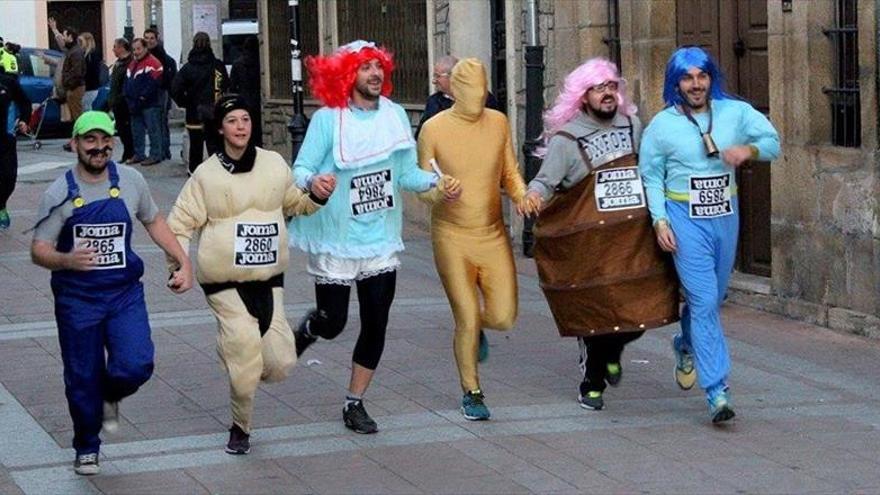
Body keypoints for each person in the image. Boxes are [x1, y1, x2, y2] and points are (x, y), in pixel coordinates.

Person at [290, 40, 459, 434]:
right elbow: (300, 168)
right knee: (334, 322)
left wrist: (437, 182)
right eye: (365, 67)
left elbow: (406, 175)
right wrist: (314, 180)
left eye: (378, 66)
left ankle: (355, 402)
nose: (374, 74)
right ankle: (310, 330)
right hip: (338, 237)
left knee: (376, 322)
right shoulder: (329, 119)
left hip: (380, 239)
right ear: (348, 75)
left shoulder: (396, 115)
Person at [30, 111, 192, 475]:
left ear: (113, 143)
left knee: (136, 364)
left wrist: (182, 259)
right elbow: (39, 248)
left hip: (123, 294)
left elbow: (153, 220)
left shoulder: (131, 180)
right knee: (81, 376)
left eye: (105, 140)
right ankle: (87, 445)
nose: (98, 147)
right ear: (74, 144)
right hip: (77, 299)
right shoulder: (60, 192)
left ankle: (110, 394)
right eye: (90, 140)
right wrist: (66, 259)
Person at [167, 95, 331, 454]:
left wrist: (317, 196)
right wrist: (179, 265)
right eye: (233, 121)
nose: (241, 127)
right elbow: (178, 224)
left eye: (245, 119)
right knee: (243, 353)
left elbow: (294, 204)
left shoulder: (274, 165)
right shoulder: (206, 175)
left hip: (269, 281)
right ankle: (240, 427)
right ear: (221, 128)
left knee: (280, 365)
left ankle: (263, 346)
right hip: (224, 283)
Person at [523, 58, 680, 411]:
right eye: (598, 88)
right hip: (591, 247)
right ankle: (591, 383)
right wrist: (532, 195)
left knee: (641, 313)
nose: (607, 93)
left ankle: (613, 350)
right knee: (599, 317)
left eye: (611, 86)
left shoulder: (634, 126)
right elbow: (546, 181)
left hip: (632, 242)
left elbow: (654, 170)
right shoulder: (566, 139)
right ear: (583, 96)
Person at [639, 46, 780, 423]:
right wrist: (660, 221)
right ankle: (717, 391)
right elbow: (651, 176)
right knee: (702, 301)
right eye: (687, 77)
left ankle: (685, 345)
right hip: (684, 217)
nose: (696, 84)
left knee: (712, 300)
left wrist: (747, 150)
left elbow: (774, 144)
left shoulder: (735, 112)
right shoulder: (661, 125)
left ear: (711, 78)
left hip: (725, 215)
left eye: (702, 76)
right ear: (676, 82)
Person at [417, 58, 533, 420]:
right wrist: (439, 190)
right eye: (470, 91)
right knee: (466, 316)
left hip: (492, 233)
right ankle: (472, 391)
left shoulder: (498, 122)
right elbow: (422, 185)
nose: (477, 98)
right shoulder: (433, 129)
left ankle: (478, 329)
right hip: (451, 234)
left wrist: (521, 195)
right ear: (453, 89)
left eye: (483, 90)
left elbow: (509, 170)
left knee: (503, 316)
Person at [171, 31, 229, 173]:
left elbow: (175, 89)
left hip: (194, 113)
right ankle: (219, 171)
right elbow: (226, 86)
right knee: (215, 146)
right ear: (209, 44)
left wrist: (185, 102)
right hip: (214, 112)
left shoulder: (187, 68)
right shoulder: (218, 66)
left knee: (195, 147)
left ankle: (194, 172)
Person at [414, 55, 501, 139]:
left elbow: (495, 132)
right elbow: (421, 136)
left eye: (437, 76)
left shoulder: (483, 99)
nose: (434, 81)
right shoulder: (433, 101)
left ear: (453, 76)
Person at [0, 65, 31, 229]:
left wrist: (24, 120)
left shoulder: (8, 81)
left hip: (6, 138)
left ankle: (1, 204)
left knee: (9, 178)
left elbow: (25, 102)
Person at [124, 38, 164, 166]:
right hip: (134, 103)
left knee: (153, 130)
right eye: (134, 49)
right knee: (137, 131)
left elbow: (154, 83)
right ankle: (139, 154)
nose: (136, 52)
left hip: (149, 103)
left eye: (138, 49)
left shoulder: (153, 63)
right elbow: (127, 82)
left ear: (145, 48)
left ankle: (155, 155)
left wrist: (143, 97)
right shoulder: (132, 64)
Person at [143, 28, 176, 161]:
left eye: (151, 38)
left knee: (160, 122)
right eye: (146, 38)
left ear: (157, 39)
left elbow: (169, 77)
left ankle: (162, 151)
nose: (149, 41)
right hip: (149, 92)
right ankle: (162, 151)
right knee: (154, 123)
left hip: (161, 92)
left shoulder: (164, 58)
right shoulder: (143, 56)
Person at [47, 19, 85, 126]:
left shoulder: (74, 52)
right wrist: (54, 30)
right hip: (70, 88)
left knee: (77, 116)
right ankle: (76, 139)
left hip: (73, 88)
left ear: (70, 37)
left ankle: (81, 137)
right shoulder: (71, 51)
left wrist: (68, 84)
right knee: (73, 117)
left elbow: (76, 73)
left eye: (65, 36)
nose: (63, 38)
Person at [229, 35, 262, 147]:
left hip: (244, 100)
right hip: (258, 100)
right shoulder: (260, 63)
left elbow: (233, 86)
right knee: (257, 131)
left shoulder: (238, 63)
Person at [107, 38, 134, 163]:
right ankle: (127, 152)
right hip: (116, 101)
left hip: (124, 102)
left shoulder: (130, 62)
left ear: (122, 47)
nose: (113, 50)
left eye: (115, 47)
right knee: (121, 129)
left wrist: (121, 98)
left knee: (127, 129)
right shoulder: (118, 63)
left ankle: (130, 152)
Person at [78, 33, 104, 112]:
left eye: (81, 42)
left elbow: (89, 73)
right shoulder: (89, 55)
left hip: (89, 88)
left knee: (85, 109)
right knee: (86, 108)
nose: (79, 44)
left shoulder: (91, 56)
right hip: (90, 88)